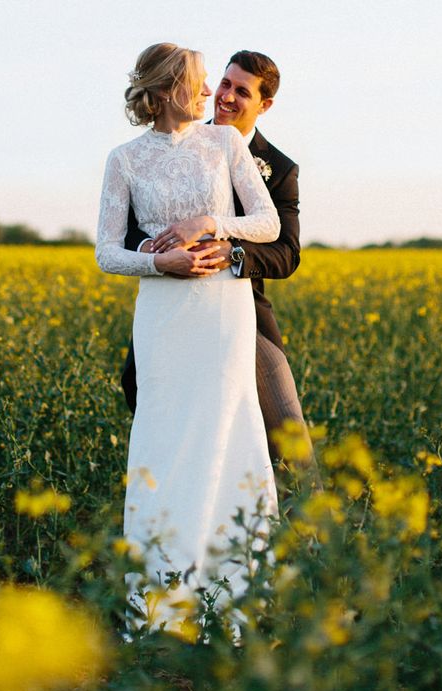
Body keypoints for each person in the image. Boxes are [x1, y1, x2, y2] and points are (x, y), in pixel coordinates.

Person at [95, 43, 280, 632]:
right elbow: (106, 252)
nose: (210, 94)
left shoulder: (224, 144)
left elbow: (268, 224)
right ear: (167, 87)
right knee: (162, 442)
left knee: (227, 437)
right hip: (163, 315)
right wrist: (158, 265)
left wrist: (212, 224)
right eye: (201, 82)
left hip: (223, 314)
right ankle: (161, 605)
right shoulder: (123, 159)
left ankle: (232, 597)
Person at [121, 50, 313, 468]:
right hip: (172, 306)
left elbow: (287, 254)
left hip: (238, 311)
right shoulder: (178, 142)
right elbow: (134, 226)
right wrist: (158, 252)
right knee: (152, 406)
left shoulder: (279, 168)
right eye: (224, 83)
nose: (224, 96)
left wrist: (231, 249)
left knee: (285, 426)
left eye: (241, 91)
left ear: (265, 105)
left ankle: (310, 530)